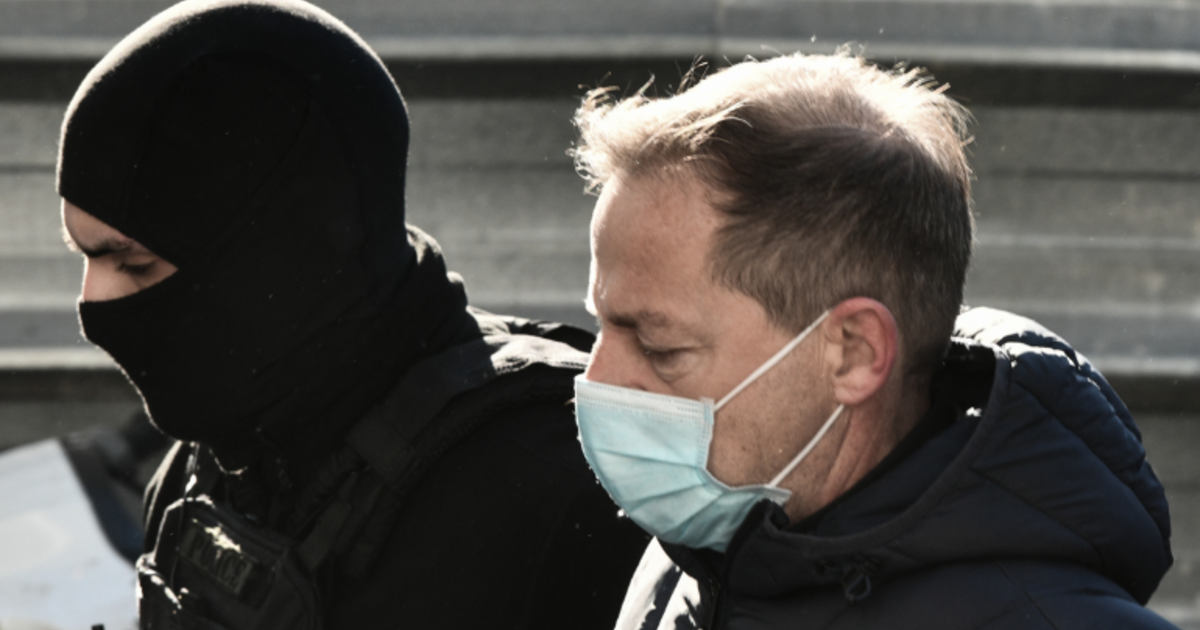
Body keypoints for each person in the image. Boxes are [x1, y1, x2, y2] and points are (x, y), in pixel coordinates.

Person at [54, 0, 649, 627]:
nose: (93, 304)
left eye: (134, 263)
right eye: (83, 256)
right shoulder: (211, 460)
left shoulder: (558, 488)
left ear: (275, 253)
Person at [569, 54, 1178, 629]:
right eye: (603, 324)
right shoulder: (701, 551)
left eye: (660, 347)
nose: (596, 380)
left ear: (854, 353)